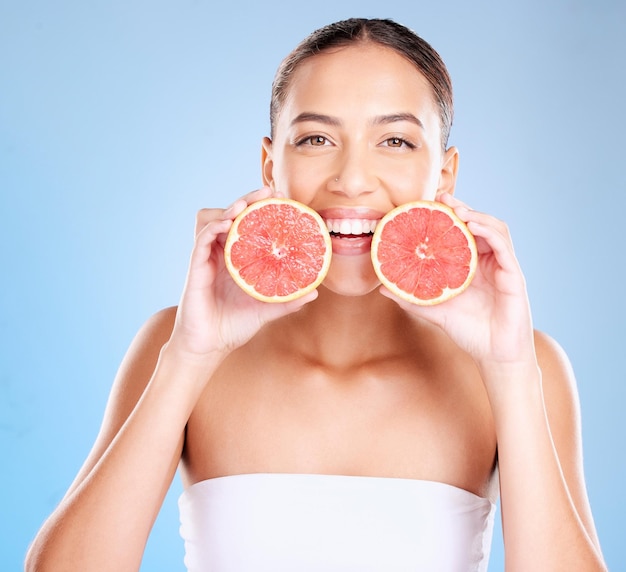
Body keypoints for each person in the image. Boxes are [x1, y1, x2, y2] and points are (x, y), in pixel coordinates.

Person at [25, 18, 606, 571]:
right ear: (269, 165)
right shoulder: (174, 346)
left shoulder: (528, 366)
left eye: (396, 141)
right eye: (316, 138)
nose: (351, 178)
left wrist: (508, 371)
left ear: (445, 175)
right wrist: (190, 357)